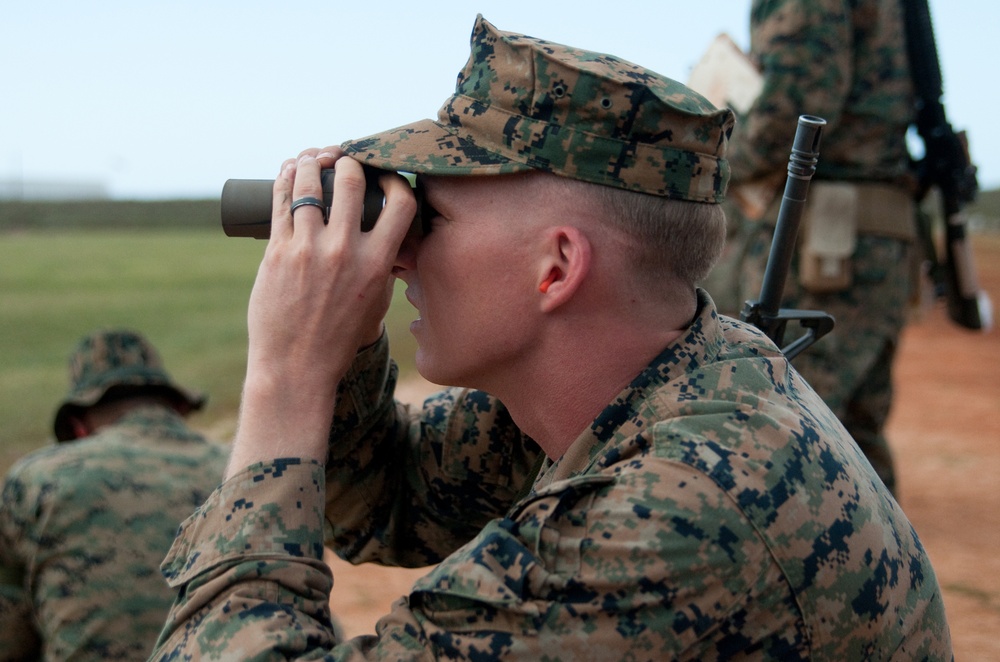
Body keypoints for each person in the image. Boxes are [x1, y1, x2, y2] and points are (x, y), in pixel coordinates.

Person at [151, 15, 951, 660]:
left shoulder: (678, 516)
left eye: (429, 217)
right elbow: (384, 499)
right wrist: (347, 340)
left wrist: (283, 378)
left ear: (557, 266)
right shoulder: (664, 372)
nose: (397, 254)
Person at [703, 0, 918, 497]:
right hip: (872, 234)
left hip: (822, 242)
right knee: (852, 442)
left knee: (780, 427)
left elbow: (796, 105)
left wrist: (704, 160)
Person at [0, 329, 229, 660]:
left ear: (78, 426)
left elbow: (8, 640)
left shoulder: (38, 479)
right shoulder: (243, 472)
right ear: (178, 407)